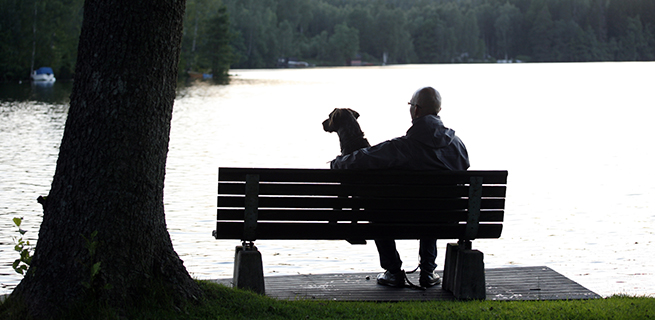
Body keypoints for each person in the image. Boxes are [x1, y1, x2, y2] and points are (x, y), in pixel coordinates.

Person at [330, 86, 469, 287]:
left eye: (411, 105)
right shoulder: (458, 145)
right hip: (446, 220)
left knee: (375, 206)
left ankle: (393, 271)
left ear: (417, 110)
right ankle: (428, 271)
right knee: (434, 206)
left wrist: (336, 163)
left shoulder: (402, 147)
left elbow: (360, 159)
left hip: (397, 219)